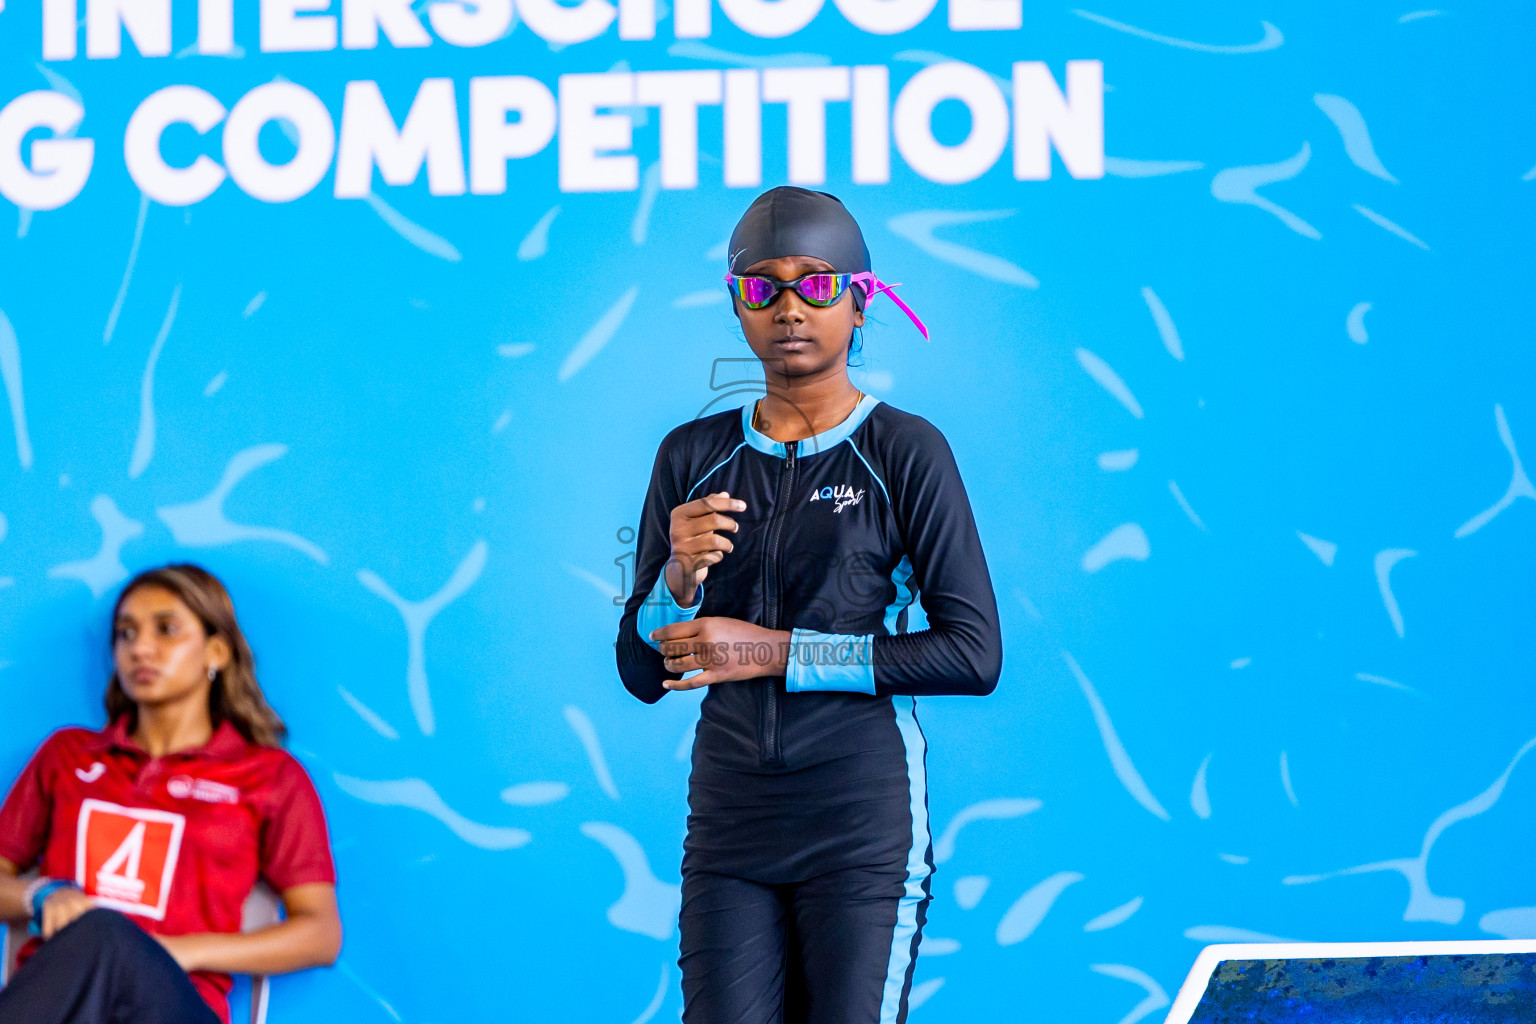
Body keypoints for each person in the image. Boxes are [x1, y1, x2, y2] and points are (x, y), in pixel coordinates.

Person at [616, 186, 1002, 1024]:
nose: (790, 307)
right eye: (763, 287)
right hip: (730, 828)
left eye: (817, 283)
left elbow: (973, 654)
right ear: (738, 307)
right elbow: (640, 668)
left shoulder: (904, 451)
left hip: (859, 823)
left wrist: (774, 650)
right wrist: (675, 581)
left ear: (861, 302)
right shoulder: (691, 455)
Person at [0, 565, 341, 1024]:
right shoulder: (67, 756)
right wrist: (39, 895)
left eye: (166, 629)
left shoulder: (269, 777)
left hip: (176, 1005)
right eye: (125, 633)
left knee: (105, 930)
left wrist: (177, 952)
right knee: (99, 936)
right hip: (63, 1003)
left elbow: (320, 934)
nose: (140, 648)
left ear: (216, 652)